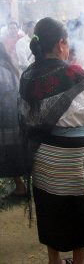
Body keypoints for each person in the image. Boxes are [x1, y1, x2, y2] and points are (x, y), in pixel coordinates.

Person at [18, 17, 84, 264]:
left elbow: (27, 116)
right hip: (77, 160)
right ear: (61, 44)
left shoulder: (27, 75)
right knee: (81, 210)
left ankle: (54, 260)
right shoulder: (73, 72)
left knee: (51, 209)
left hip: (44, 159)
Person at [0, 43, 26, 197]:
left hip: (5, 117)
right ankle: (20, 185)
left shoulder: (2, 69)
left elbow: (6, 94)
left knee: (7, 151)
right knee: (13, 150)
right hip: (14, 116)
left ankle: (20, 186)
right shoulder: (9, 67)